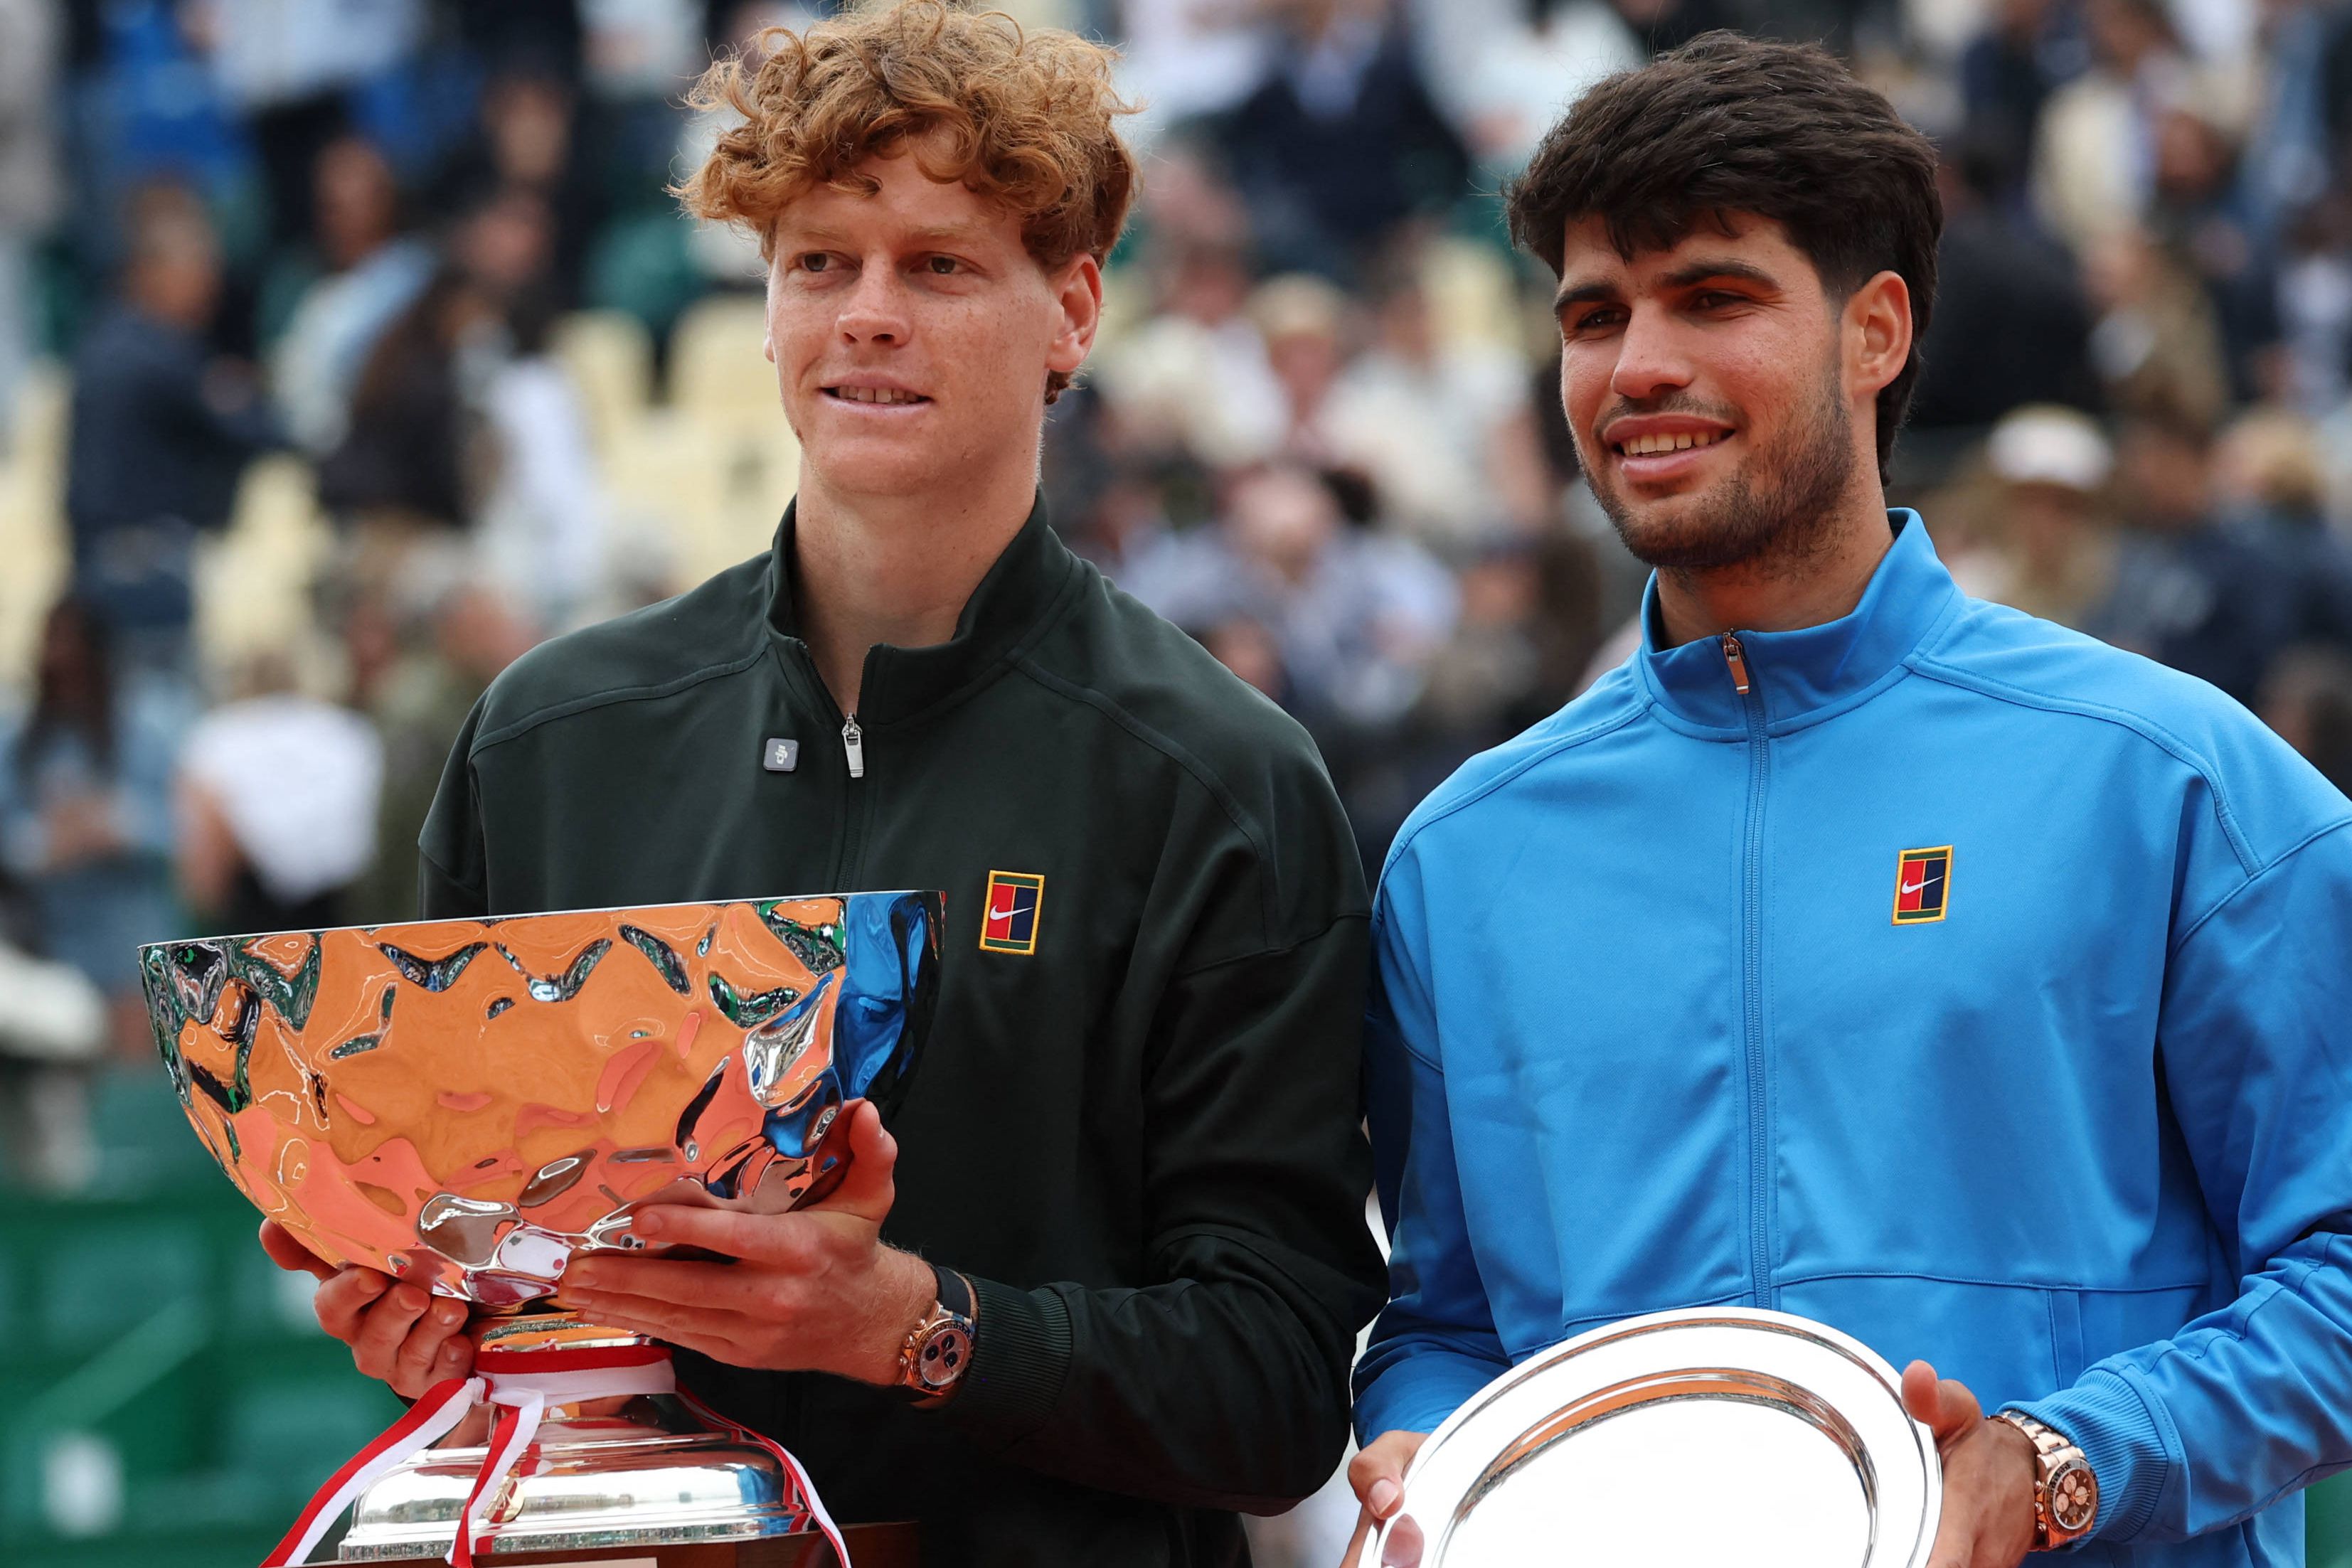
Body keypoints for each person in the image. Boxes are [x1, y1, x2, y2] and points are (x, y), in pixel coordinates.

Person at [258, 6, 1385, 1567]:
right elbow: (491, 1274)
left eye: (938, 265)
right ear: (768, 309)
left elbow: (1274, 1391)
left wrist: (918, 1327)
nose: (867, 313)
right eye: (818, 263)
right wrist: (427, 1321)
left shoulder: (1223, 781)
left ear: (1071, 310)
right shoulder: (549, 738)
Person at [1346, 34, 2352, 1568]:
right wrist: (1422, 1445)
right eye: (1595, 314)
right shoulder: (1461, 854)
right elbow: (1443, 1318)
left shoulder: (2174, 779)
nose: (1638, 368)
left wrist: (2061, 1461)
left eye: (1714, 296)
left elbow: (2335, 1265)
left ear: (1874, 331)